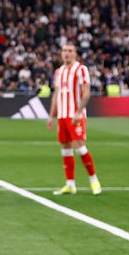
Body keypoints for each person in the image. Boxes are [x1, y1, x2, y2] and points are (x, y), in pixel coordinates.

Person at [47, 43, 101, 195]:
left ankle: (94, 180)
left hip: (75, 115)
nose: (66, 54)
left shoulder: (81, 69)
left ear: (75, 53)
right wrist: (51, 115)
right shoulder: (59, 71)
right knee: (65, 148)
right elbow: (56, 94)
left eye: (70, 51)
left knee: (79, 146)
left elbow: (86, 93)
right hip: (62, 116)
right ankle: (70, 184)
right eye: (64, 51)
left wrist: (79, 111)